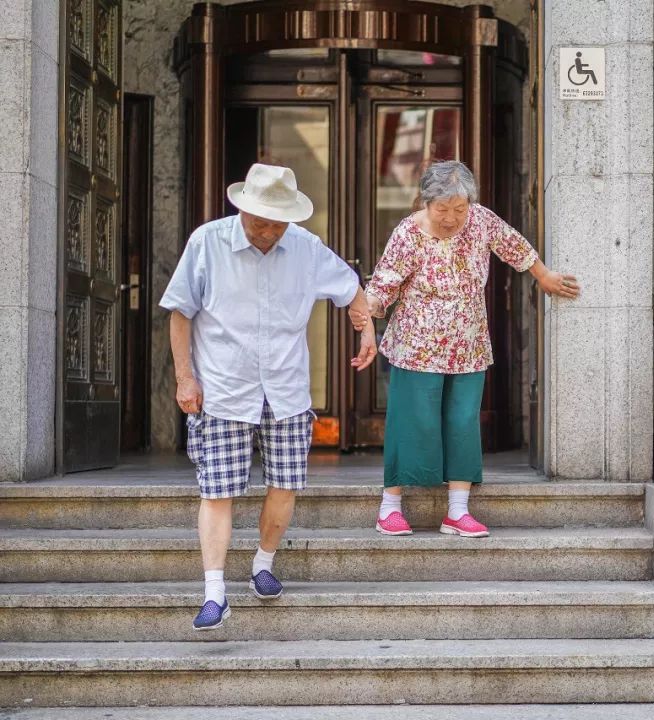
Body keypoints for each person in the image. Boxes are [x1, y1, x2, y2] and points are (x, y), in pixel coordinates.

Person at [160, 163, 377, 630]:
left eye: (278, 224)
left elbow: (350, 288)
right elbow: (180, 313)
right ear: (242, 209)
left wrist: (367, 330)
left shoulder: (306, 247)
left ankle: (263, 563)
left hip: (285, 388)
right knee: (217, 491)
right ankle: (214, 593)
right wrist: (185, 379)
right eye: (261, 222)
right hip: (222, 387)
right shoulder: (207, 242)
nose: (269, 232)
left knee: (284, 485)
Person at [352, 160, 580, 538]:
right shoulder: (409, 233)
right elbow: (384, 285)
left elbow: (514, 246)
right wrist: (366, 312)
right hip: (416, 344)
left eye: (459, 208)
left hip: (468, 344)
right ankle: (389, 506)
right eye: (443, 209)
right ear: (426, 202)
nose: (452, 217)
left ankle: (457, 511)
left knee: (462, 423)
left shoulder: (480, 220)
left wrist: (545, 276)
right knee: (413, 421)